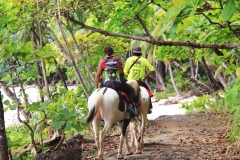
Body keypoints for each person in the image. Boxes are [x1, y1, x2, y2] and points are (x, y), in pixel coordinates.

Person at [95, 46, 137, 116]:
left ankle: (99, 113)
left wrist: (96, 87)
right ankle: (130, 106)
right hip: (117, 84)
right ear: (113, 52)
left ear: (104, 53)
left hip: (106, 84)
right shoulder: (118, 60)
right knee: (132, 91)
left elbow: (98, 75)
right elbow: (121, 72)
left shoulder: (102, 61)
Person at [124, 45, 155, 114]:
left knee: (124, 93)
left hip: (130, 81)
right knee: (148, 92)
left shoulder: (129, 59)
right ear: (140, 53)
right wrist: (145, 77)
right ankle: (149, 107)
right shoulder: (144, 60)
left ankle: (125, 107)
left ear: (133, 52)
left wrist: (129, 74)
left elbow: (125, 72)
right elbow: (152, 69)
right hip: (139, 81)